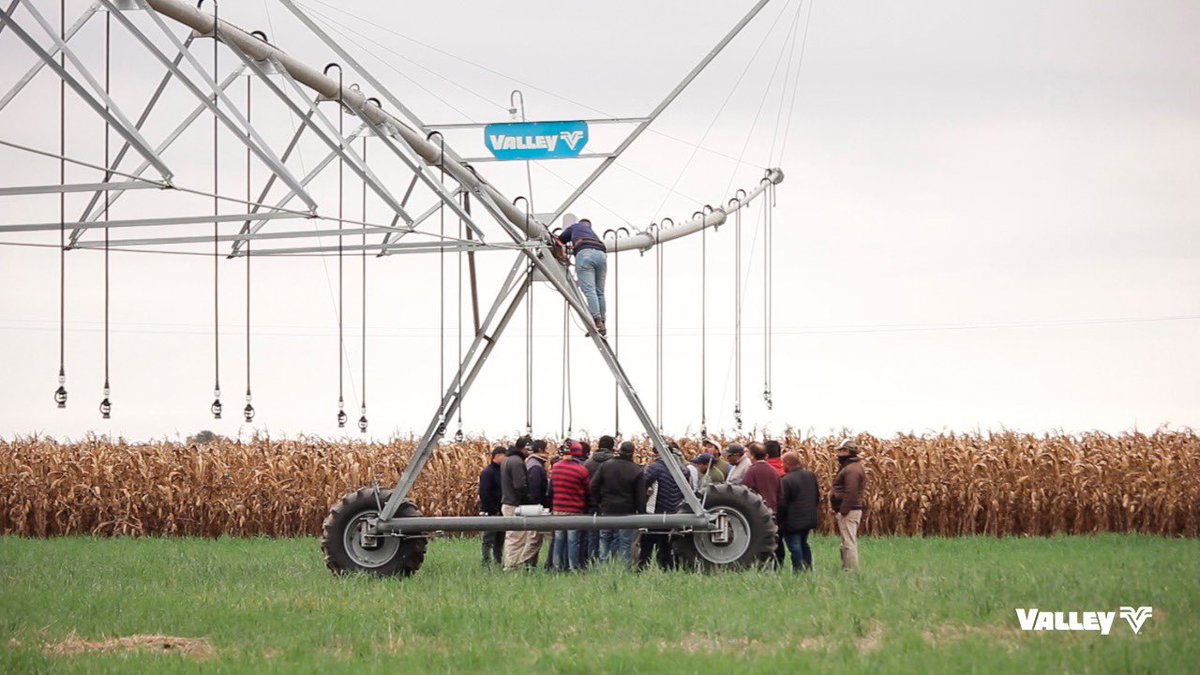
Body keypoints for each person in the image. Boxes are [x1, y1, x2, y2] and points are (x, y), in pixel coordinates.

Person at [589, 440, 646, 563]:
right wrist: (642, 514)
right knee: (625, 541)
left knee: (604, 538)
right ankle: (622, 568)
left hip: (607, 508)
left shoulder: (606, 466)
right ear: (632, 453)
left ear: (619, 450)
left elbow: (593, 486)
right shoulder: (636, 470)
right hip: (627, 511)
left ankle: (603, 566)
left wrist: (599, 501)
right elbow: (641, 496)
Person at [557, 218, 608, 336]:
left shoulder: (575, 226)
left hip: (585, 253)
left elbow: (559, 241)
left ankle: (597, 322)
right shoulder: (593, 234)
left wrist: (561, 254)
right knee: (600, 292)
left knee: (590, 290)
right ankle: (603, 323)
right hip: (601, 255)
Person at [640, 448, 686, 570]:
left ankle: (642, 567)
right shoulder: (682, 469)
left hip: (656, 510)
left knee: (647, 540)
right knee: (666, 543)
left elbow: (643, 483)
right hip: (675, 511)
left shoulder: (655, 468)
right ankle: (668, 568)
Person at [549, 441, 590, 571]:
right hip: (575, 510)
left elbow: (551, 489)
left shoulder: (555, 467)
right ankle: (573, 568)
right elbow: (587, 490)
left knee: (559, 540)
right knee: (573, 541)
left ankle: (557, 567)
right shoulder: (581, 470)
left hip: (558, 509)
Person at [777, 451, 819, 571]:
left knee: (795, 547)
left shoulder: (786, 480)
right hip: (809, 518)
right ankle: (808, 568)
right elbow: (816, 496)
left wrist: (779, 521)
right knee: (804, 544)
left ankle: (799, 570)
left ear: (788, 463)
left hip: (793, 521)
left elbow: (783, 504)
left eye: (782, 463)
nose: (781, 466)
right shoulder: (810, 476)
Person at [831, 439, 867, 571]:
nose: (838, 453)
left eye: (841, 451)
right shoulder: (851, 467)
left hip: (849, 511)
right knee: (846, 542)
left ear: (847, 451)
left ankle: (850, 571)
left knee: (849, 543)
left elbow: (851, 493)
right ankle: (846, 568)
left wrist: (843, 511)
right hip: (849, 510)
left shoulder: (852, 469)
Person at [500, 437, 532, 570]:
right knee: (517, 538)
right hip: (514, 505)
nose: (529, 452)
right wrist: (527, 500)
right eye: (528, 449)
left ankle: (509, 563)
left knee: (511, 536)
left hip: (507, 502)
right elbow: (519, 485)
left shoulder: (507, 459)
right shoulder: (517, 462)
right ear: (523, 447)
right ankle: (512, 566)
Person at [584, 435, 616, 563]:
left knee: (592, 536)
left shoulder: (588, 463)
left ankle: (592, 562)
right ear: (612, 447)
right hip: (610, 504)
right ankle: (611, 562)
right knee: (611, 536)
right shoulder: (614, 463)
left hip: (591, 503)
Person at [521, 440, 551, 568]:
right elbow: (535, 489)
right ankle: (521, 564)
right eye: (545, 449)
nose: (547, 452)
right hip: (537, 509)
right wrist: (539, 507)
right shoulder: (536, 467)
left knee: (535, 539)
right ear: (540, 450)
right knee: (534, 539)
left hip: (535, 507)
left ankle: (530, 566)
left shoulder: (532, 463)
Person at [478, 446, 507, 567]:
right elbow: (484, 493)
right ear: (498, 456)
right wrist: (492, 510)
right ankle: (486, 562)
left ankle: (498, 561)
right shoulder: (488, 472)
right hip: (492, 512)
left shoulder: (502, 471)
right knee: (488, 539)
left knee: (500, 539)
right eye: (505, 456)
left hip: (501, 511)